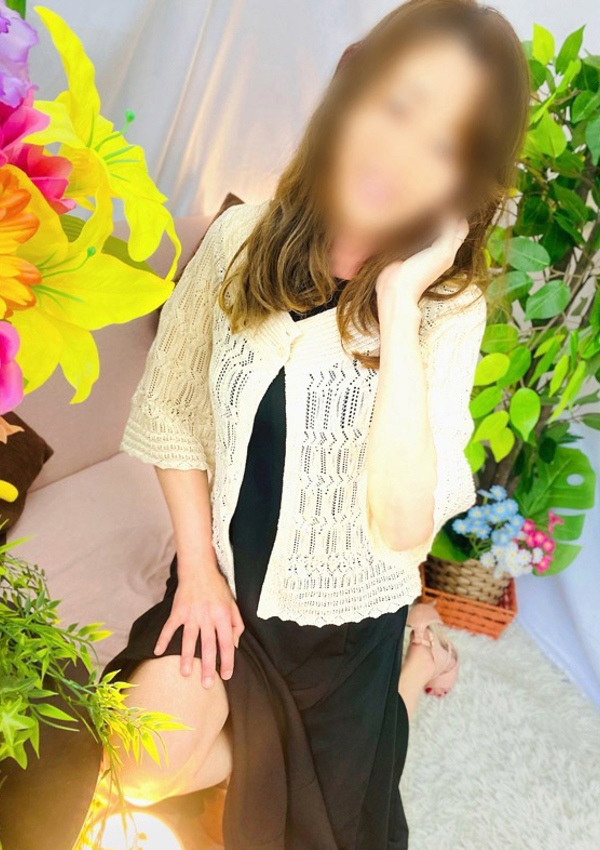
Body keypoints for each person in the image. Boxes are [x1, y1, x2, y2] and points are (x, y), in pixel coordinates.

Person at [104, 1, 530, 847]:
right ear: (352, 84)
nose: (400, 157)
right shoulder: (237, 239)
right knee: (137, 763)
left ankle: (401, 683)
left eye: (443, 147)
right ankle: (315, 740)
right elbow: (171, 414)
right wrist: (197, 574)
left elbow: (403, 526)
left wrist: (399, 306)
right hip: (227, 592)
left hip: (345, 632)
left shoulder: (447, 310)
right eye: (397, 107)